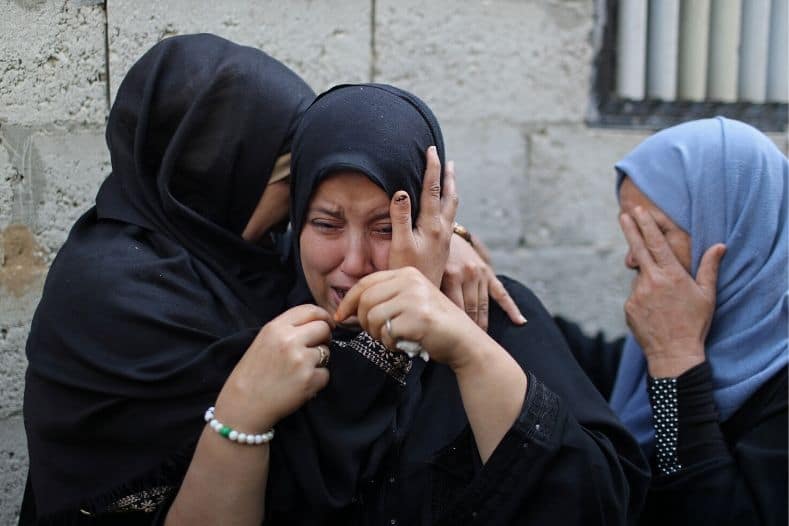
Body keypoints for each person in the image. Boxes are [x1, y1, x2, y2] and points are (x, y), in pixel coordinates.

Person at [19, 35, 519, 524]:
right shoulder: (113, 298)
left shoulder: (237, 250)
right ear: (215, 175)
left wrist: (438, 239)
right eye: (289, 179)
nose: (296, 199)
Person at [167, 83, 650, 525]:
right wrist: (240, 415)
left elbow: (596, 505)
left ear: (431, 222)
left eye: (386, 228)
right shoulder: (261, 327)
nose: (354, 262)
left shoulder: (484, 314)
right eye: (326, 224)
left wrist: (468, 351)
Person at [557, 117, 788, 526]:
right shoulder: (708, 335)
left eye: (657, 232)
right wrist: (490, 287)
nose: (633, 258)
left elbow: (701, 507)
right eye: (632, 233)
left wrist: (675, 362)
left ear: (734, 230)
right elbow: (588, 366)